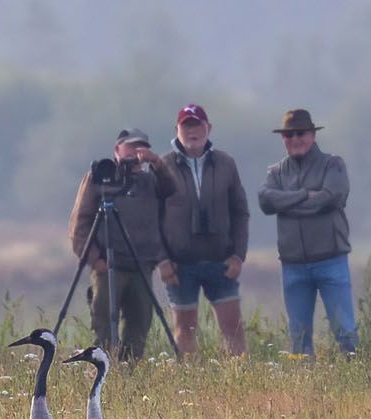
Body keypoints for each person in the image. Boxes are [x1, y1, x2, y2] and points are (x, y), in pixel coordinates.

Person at [68, 128, 176, 361]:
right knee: (104, 321)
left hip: (142, 264)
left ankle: (129, 372)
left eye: (141, 147)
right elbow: (80, 223)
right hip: (108, 264)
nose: (135, 151)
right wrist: (94, 259)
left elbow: (172, 189)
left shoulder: (150, 180)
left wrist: (156, 162)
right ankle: (103, 367)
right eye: (130, 146)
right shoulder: (100, 177)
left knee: (140, 323)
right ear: (117, 149)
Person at [257, 109, 357, 356]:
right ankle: (303, 388)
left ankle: (358, 381)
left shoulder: (333, 164)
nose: (294, 139)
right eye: (288, 135)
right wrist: (303, 195)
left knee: (345, 331)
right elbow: (265, 201)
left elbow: (331, 197)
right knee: (299, 338)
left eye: (300, 133)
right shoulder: (276, 172)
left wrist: (287, 203)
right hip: (293, 265)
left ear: (313, 135)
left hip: (331, 260)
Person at [155, 104, 250, 356]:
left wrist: (239, 255)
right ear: (177, 129)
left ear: (208, 128)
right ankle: (189, 384)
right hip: (179, 265)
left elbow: (240, 212)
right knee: (184, 330)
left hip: (221, 262)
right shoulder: (162, 166)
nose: (192, 132)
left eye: (197, 125)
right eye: (186, 126)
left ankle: (239, 381)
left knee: (234, 328)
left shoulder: (225, 163)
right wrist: (162, 260)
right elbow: (151, 219)